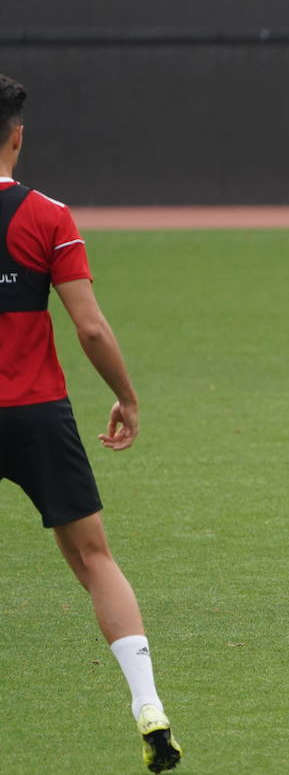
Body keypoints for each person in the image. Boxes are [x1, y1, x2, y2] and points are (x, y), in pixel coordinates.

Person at [0, 74, 182, 773]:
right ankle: (148, 706)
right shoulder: (48, 215)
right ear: (18, 135)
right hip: (40, 415)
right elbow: (92, 329)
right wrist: (127, 397)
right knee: (94, 559)